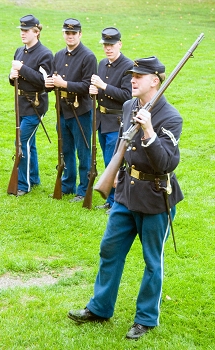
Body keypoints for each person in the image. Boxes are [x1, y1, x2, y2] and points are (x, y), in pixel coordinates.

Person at [68, 56, 184, 340]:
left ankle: (145, 318)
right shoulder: (130, 105)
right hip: (126, 194)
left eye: (139, 76)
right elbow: (122, 143)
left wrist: (149, 132)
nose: (132, 80)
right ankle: (99, 307)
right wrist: (116, 172)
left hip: (156, 198)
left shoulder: (170, 117)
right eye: (132, 75)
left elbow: (167, 163)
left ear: (155, 80)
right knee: (110, 250)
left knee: (152, 261)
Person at [45, 18, 97, 202]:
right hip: (62, 110)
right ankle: (67, 185)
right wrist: (49, 83)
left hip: (80, 110)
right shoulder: (58, 55)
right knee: (65, 150)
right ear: (63, 34)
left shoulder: (88, 56)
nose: (70, 36)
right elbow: (53, 79)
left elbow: (86, 86)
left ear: (80, 34)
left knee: (83, 152)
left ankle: (83, 190)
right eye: (67, 33)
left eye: (73, 33)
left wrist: (64, 84)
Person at [9, 14, 53, 196]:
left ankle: (23, 185)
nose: (23, 34)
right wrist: (12, 77)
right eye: (21, 30)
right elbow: (15, 80)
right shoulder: (20, 51)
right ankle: (33, 179)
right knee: (30, 143)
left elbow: (45, 82)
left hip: (36, 104)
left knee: (22, 142)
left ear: (36, 32)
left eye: (26, 31)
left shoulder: (45, 54)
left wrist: (21, 69)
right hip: (21, 103)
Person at [89, 27, 132, 213]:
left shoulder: (128, 66)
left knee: (114, 162)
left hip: (117, 121)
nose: (108, 48)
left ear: (120, 44)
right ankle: (111, 199)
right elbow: (101, 93)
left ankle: (117, 201)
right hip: (102, 119)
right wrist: (94, 92)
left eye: (111, 45)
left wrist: (103, 86)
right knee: (108, 162)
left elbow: (127, 96)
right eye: (105, 45)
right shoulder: (102, 63)